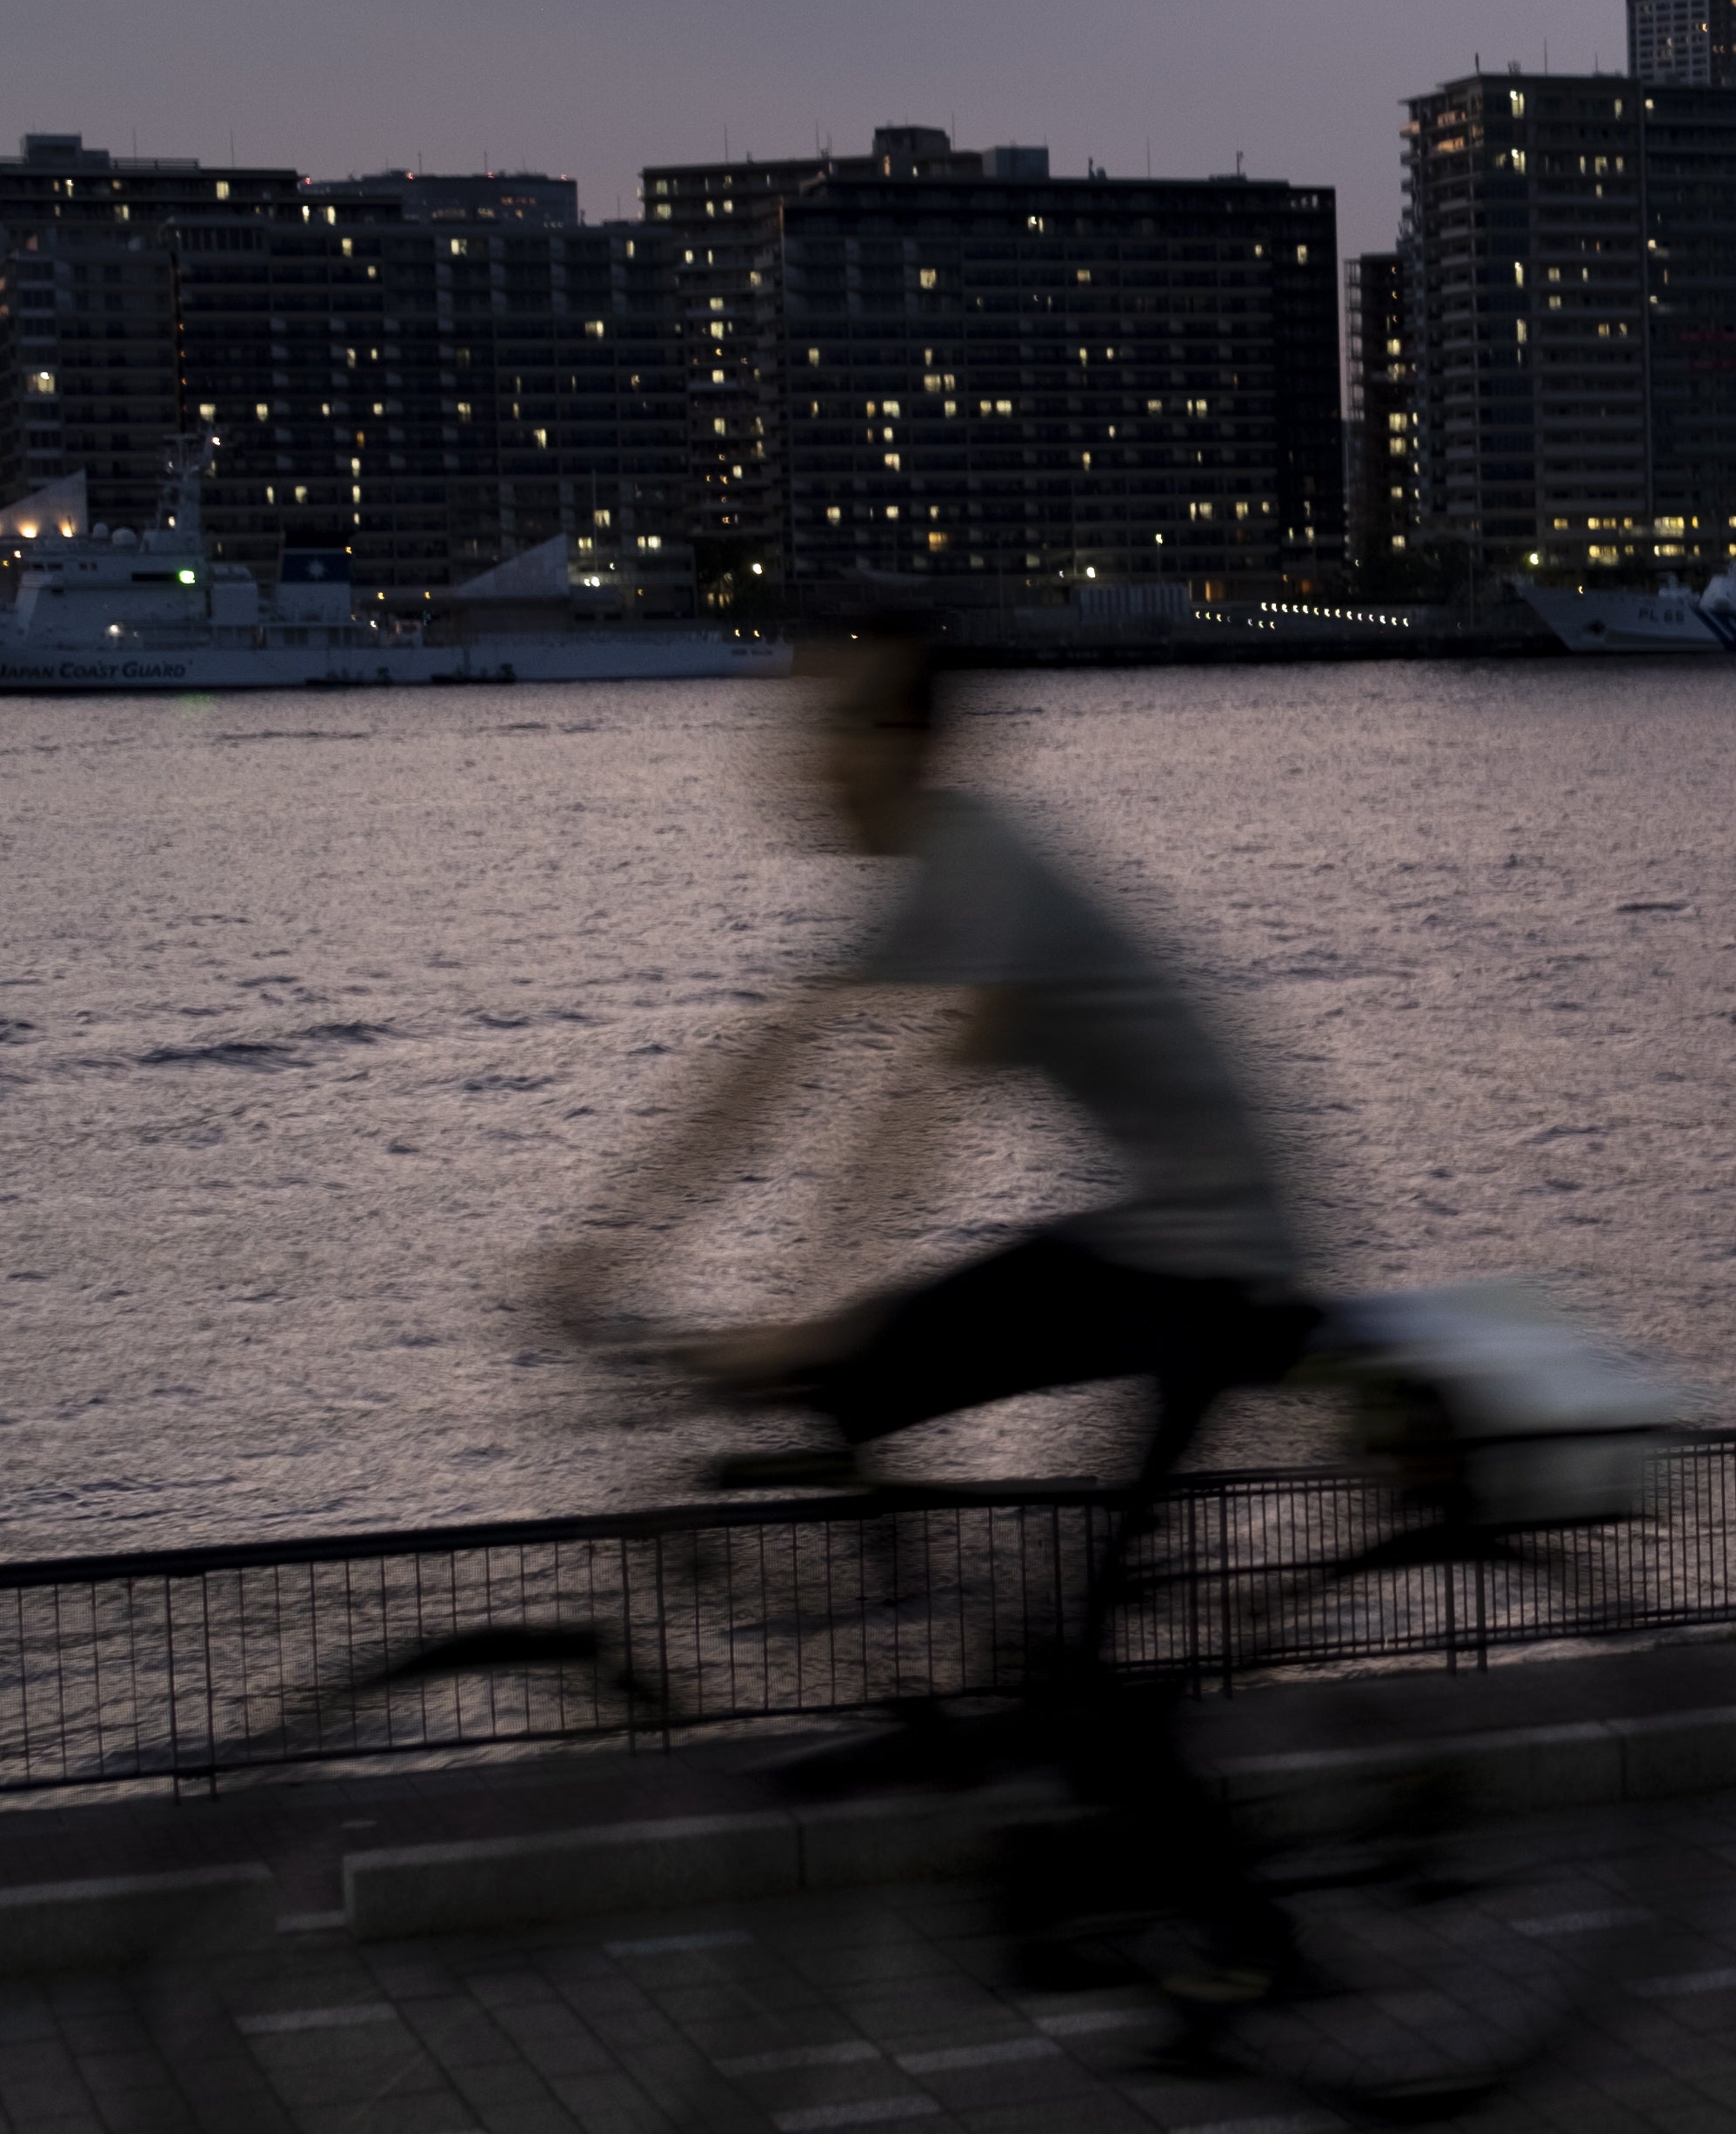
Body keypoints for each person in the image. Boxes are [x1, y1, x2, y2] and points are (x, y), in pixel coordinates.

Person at [531, 630, 1318, 1505]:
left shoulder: (987, 872)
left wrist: (810, 1316)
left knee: (883, 1366)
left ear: (905, 736)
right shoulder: (945, 872)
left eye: (834, 728)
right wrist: (613, 1243)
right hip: (1165, 1243)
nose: (808, 761)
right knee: (874, 1368)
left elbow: (916, 1115)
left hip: (1221, 1259)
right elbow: (769, 1070)